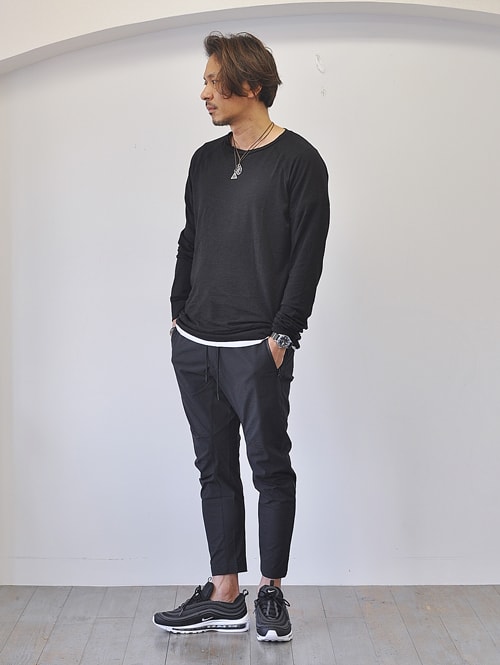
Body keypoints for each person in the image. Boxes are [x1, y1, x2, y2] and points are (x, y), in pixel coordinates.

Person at [153, 31, 329, 642]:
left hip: (258, 347)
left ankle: (270, 591)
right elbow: (190, 240)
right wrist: (178, 315)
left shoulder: (300, 161)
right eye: (204, 81)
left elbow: (307, 258)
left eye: (212, 81)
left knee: (269, 468)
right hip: (195, 344)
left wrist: (284, 335)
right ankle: (224, 593)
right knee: (214, 470)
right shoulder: (205, 160)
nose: (203, 93)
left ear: (249, 85)